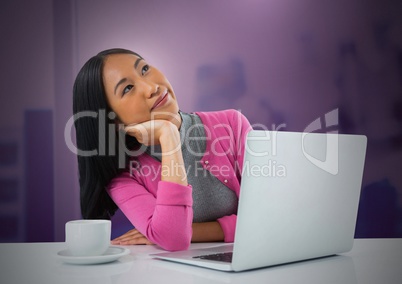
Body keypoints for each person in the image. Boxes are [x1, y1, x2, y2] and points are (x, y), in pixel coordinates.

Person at [73, 48, 252, 251]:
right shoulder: (123, 176)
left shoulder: (232, 125)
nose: (151, 88)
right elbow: (174, 239)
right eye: (127, 88)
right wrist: (168, 137)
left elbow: (267, 216)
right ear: (112, 121)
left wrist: (191, 231)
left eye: (145, 69)